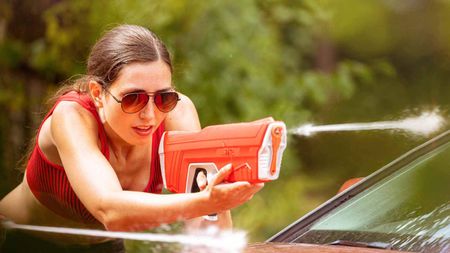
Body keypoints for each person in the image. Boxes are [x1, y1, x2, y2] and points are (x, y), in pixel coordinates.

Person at [0, 24, 263, 252]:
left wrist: (216, 203)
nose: (150, 115)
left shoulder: (177, 114)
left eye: (163, 97)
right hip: (20, 239)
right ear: (97, 93)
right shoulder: (72, 116)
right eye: (133, 98)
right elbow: (109, 210)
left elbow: (208, 229)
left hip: (103, 247)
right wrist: (206, 201)